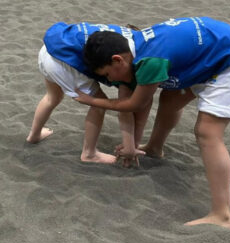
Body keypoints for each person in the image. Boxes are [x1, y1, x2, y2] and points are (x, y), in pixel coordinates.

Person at [76, 17, 230, 228]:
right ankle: (154, 148)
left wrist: (91, 100)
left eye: (108, 74)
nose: (112, 80)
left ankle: (223, 214)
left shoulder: (151, 61)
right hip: (210, 56)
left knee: (207, 132)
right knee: (170, 98)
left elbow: (136, 103)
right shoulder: (134, 44)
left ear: (118, 60)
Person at [27, 22, 151, 164]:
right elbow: (124, 107)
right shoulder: (124, 61)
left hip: (49, 49)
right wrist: (129, 146)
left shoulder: (121, 38)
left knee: (52, 97)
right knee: (99, 104)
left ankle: (34, 135)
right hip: (65, 61)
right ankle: (89, 153)